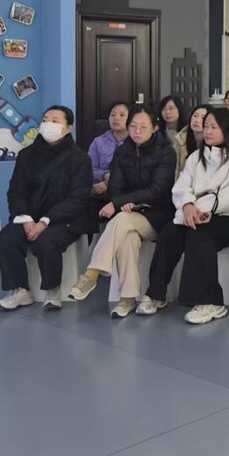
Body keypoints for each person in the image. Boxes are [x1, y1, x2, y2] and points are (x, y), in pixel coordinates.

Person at [139, 107, 229, 322]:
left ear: (227, 129)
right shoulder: (196, 156)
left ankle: (210, 302)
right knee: (170, 233)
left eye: (214, 127)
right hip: (196, 213)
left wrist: (197, 209)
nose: (208, 131)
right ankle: (155, 293)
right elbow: (181, 186)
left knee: (201, 235)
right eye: (206, 127)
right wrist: (187, 206)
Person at [67, 105, 176, 317]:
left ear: (154, 128)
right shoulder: (122, 151)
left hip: (158, 215)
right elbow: (115, 187)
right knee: (126, 236)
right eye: (133, 126)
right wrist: (123, 202)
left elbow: (158, 189)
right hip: (128, 213)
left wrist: (125, 203)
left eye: (143, 127)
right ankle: (127, 298)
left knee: (122, 221)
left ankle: (91, 273)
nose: (137, 131)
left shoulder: (166, 152)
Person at [0, 107, 94, 311]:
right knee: (5, 239)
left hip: (63, 219)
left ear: (68, 128)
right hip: (30, 217)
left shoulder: (80, 159)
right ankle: (20, 290)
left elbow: (77, 198)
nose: (49, 124)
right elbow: (16, 191)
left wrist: (46, 221)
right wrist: (26, 219)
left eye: (55, 121)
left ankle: (52, 290)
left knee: (47, 241)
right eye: (46, 119)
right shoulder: (26, 155)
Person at [88, 101, 129, 197]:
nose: (116, 118)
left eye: (122, 115)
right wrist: (104, 175)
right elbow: (88, 169)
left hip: (126, 193)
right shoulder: (98, 142)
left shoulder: (135, 142)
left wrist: (108, 184)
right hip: (98, 191)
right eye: (113, 115)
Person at [157, 95, 188, 174]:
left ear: (179, 109)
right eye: (164, 109)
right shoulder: (157, 133)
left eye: (171, 108)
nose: (167, 112)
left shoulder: (188, 132)